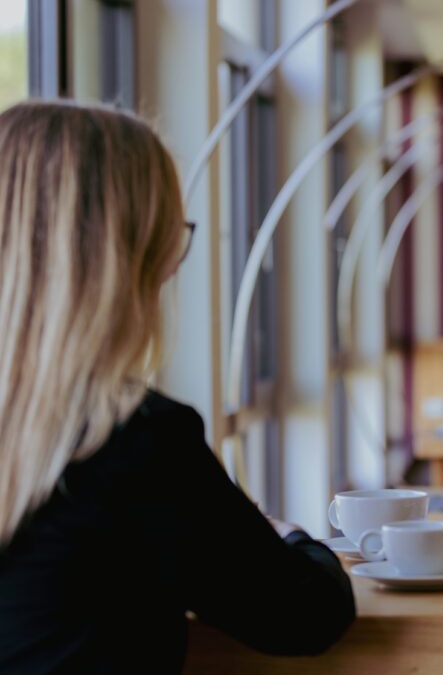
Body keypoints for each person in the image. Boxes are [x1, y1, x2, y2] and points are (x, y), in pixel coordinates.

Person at [0, 102, 355, 673]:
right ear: (132, 256)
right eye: (173, 238)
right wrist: (290, 537)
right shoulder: (135, 442)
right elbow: (305, 612)